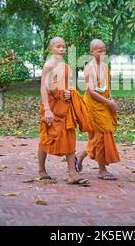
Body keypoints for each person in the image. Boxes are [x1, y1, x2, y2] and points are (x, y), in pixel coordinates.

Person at [38, 36, 92, 185]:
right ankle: (41, 170)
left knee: (70, 137)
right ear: (51, 48)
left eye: (63, 46)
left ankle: (72, 174)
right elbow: (44, 87)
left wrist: (69, 92)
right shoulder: (49, 65)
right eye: (58, 46)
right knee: (46, 138)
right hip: (52, 107)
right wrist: (48, 110)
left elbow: (67, 85)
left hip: (65, 106)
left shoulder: (66, 66)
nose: (62, 49)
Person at [75, 39, 120, 180]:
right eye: (99, 50)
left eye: (104, 50)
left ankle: (80, 156)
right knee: (101, 136)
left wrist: (111, 100)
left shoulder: (106, 67)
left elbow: (107, 87)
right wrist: (108, 102)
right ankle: (102, 170)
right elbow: (92, 91)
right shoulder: (89, 67)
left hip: (105, 104)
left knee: (102, 135)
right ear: (91, 52)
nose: (102, 53)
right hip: (93, 106)